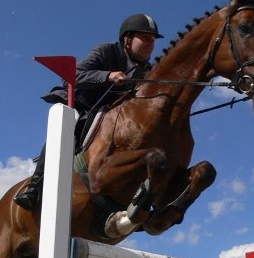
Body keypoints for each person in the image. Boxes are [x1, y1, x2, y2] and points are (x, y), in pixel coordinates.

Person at [13, 14, 163, 210]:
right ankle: (35, 186)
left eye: (153, 40)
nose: (151, 44)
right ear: (127, 39)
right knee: (68, 123)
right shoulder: (105, 50)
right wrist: (108, 75)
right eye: (145, 38)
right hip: (83, 106)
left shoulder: (147, 71)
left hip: (111, 115)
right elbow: (71, 76)